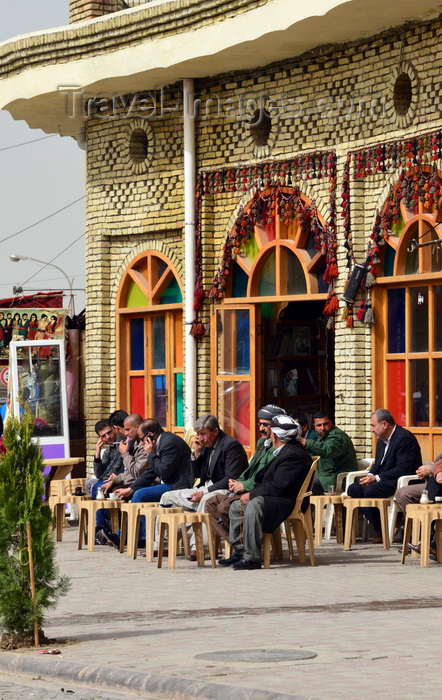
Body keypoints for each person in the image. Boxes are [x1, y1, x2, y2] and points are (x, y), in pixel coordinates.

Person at [218, 414, 312, 570]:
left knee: (254, 504)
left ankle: (252, 557)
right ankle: (240, 551)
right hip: (276, 495)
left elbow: (279, 486)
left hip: (286, 500)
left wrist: (252, 494)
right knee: (236, 505)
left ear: (275, 436)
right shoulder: (286, 450)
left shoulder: (293, 455)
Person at [155, 413, 247, 559]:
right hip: (205, 487)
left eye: (203, 434)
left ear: (215, 431)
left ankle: (199, 547)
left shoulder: (231, 445)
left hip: (225, 489)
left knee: (206, 500)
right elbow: (197, 474)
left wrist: (204, 493)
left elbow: (231, 478)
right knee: (167, 497)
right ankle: (163, 544)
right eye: (198, 434)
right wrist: (196, 453)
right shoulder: (206, 445)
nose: (201, 438)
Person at [205, 404, 286, 542]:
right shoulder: (262, 442)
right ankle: (236, 544)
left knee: (225, 507)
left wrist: (244, 486)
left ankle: (244, 545)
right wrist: (238, 481)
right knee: (210, 503)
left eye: (266, 425)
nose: (261, 428)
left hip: (262, 493)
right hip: (246, 489)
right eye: (260, 424)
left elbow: (265, 476)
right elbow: (251, 468)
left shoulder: (279, 446)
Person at [108, 418, 193, 546]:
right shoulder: (160, 442)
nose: (141, 443)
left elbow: (164, 472)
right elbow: (151, 471)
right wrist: (130, 488)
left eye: (142, 439)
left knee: (140, 495)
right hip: (168, 484)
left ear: (151, 435)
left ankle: (139, 537)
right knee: (136, 492)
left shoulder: (169, 443)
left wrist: (151, 454)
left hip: (177, 486)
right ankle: (127, 534)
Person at [347, 408, 422, 543]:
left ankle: (385, 528)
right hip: (383, 479)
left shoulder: (404, 438)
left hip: (400, 480)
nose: (371, 429)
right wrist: (369, 475)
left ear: (385, 424)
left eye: (373, 425)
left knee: (370, 490)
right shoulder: (381, 439)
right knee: (354, 489)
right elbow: (378, 464)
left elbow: (403, 469)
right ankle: (380, 528)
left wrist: (376, 478)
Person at [296, 410, 357, 494]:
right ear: (314, 426)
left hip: (337, 479)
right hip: (325, 476)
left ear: (331, 422)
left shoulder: (338, 437)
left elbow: (327, 449)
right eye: (319, 425)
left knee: (303, 484)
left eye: (325, 424)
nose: (323, 428)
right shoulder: (321, 436)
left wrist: (305, 442)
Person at [85, 419, 123, 496]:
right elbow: (99, 474)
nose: (108, 437)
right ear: (100, 438)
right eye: (103, 436)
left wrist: (101, 481)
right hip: (108, 477)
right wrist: (97, 453)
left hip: (119, 477)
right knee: (88, 483)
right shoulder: (110, 448)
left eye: (109, 432)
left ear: (114, 429)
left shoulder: (122, 443)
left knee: (97, 486)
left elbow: (116, 467)